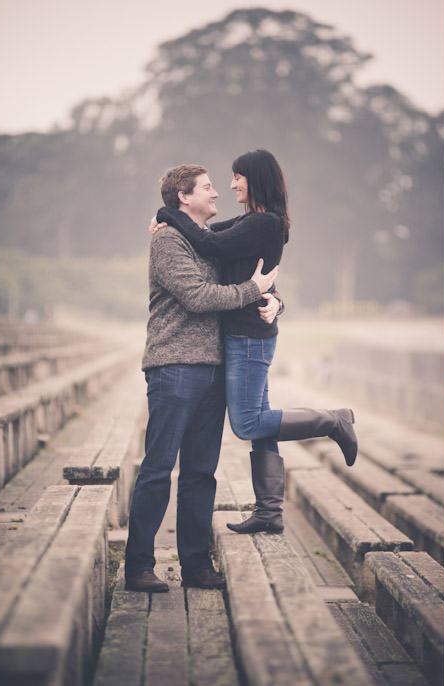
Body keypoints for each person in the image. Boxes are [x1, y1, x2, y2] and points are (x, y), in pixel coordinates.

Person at [152, 149, 357, 536]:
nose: (230, 186)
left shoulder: (266, 223)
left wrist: (166, 214)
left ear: (255, 178)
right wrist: (277, 301)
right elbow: (208, 236)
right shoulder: (252, 222)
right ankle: (269, 512)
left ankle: (334, 421)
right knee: (259, 424)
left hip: (249, 337)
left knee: (247, 424)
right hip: (242, 333)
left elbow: (210, 246)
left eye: (236, 177)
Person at [125, 164, 280, 593]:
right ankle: (138, 566)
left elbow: (254, 283)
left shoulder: (213, 243)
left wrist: (274, 302)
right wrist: (253, 290)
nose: (218, 194)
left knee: (200, 472)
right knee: (158, 469)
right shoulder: (169, 241)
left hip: (213, 370)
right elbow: (198, 297)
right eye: (208, 188)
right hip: (173, 367)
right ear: (183, 198)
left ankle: (195, 564)